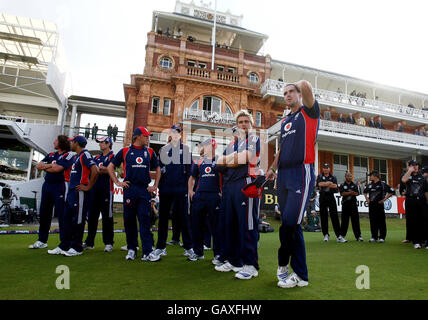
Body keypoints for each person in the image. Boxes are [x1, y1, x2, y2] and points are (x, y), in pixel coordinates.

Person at [265, 80, 319, 289]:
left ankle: (294, 271)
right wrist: (272, 168)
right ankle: (291, 270)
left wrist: (299, 84)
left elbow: (306, 85)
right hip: (284, 175)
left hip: (301, 172)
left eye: (291, 92)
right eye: (285, 93)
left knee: (292, 223)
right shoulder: (286, 119)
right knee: (286, 223)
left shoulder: (309, 113)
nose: (287, 95)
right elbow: (282, 148)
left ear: (299, 94)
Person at [215, 110, 261, 280]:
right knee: (230, 225)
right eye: (240, 121)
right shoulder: (231, 144)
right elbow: (218, 163)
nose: (243, 124)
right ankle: (234, 261)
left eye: (246, 121)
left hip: (245, 184)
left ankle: (251, 265)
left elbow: (245, 158)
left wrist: (231, 159)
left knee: (247, 226)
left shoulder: (254, 139)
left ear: (250, 123)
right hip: (229, 187)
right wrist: (233, 157)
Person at [107, 126, 161, 261]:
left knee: (145, 219)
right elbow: (110, 167)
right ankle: (132, 249)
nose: (148, 138)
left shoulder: (149, 151)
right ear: (138, 137)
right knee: (129, 220)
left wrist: (155, 185)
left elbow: (158, 168)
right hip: (130, 189)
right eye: (146, 136)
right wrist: (118, 183)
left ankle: (148, 251)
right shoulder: (125, 151)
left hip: (144, 189)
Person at [47, 136, 99, 256]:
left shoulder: (85, 155)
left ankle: (77, 247)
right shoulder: (77, 156)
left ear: (77, 143)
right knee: (67, 219)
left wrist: (88, 186)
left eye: (72, 142)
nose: (70, 144)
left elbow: (95, 170)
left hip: (79, 192)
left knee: (78, 219)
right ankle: (64, 245)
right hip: (71, 191)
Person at [153, 125, 193, 259]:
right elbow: (160, 170)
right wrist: (159, 186)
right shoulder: (163, 149)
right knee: (163, 218)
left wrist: (188, 189)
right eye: (173, 132)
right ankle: (160, 247)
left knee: (184, 218)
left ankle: (188, 247)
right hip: (166, 189)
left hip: (181, 189)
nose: (175, 134)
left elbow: (190, 171)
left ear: (180, 134)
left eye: (177, 132)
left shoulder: (186, 149)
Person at [28, 135, 74, 249]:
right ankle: (42, 240)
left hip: (60, 186)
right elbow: (39, 166)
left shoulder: (68, 155)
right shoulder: (51, 155)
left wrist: (47, 167)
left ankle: (64, 243)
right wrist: (50, 166)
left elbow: (58, 169)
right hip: (47, 185)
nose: (54, 142)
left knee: (62, 214)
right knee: (44, 213)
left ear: (61, 143)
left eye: (56, 140)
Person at [187, 138, 221, 262]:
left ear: (214, 146)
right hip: (200, 196)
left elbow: (225, 177)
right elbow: (191, 178)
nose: (206, 148)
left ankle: (218, 254)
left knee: (215, 226)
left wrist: (221, 192)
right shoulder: (198, 162)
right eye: (205, 146)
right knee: (196, 225)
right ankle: (198, 252)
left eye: (209, 145)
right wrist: (191, 191)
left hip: (214, 196)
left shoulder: (220, 160)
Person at [83, 136, 115, 252]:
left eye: (102, 142)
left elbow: (110, 170)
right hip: (94, 190)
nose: (100, 144)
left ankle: (108, 243)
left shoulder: (112, 156)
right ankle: (89, 242)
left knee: (107, 217)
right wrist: (100, 169)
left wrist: (101, 169)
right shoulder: (97, 157)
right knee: (92, 217)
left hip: (107, 190)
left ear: (108, 144)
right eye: (99, 142)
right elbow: (94, 170)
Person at [316, 163, 345, 242]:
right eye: (324, 168)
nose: (325, 169)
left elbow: (335, 186)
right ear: (323, 169)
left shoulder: (333, 177)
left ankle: (338, 235)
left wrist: (325, 184)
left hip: (330, 197)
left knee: (334, 215)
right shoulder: (320, 176)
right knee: (323, 216)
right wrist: (328, 183)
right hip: (322, 197)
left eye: (327, 168)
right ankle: (325, 234)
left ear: (329, 169)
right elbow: (319, 184)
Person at [363, 170, 395, 243]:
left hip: (379, 205)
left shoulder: (382, 184)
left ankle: (382, 237)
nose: (369, 177)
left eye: (370, 176)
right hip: (371, 205)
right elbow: (364, 192)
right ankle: (374, 237)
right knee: (372, 221)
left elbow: (392, 191)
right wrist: (367, 199)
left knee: (381, 221)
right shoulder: (370, 185)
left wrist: (384, 199)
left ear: (374, 176)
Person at [401, 160, 426, 249]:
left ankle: (423, 240)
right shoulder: (408, 176)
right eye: (413, 165)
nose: (415, 167)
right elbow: (404, 180)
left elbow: (426, 190)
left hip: (421, 201)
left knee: (422, 221)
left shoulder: (422, 177)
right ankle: (416, 242)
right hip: (411, 200)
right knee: (413, 221)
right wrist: (409, 171)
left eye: (416, 165)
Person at [339, 172, 363, 242]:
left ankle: (358, 236)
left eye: (350, 176)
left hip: (353, 205)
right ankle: (342, 236)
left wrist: (349, 193)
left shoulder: (354, 185)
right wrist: (350, 193)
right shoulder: (342, 185)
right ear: (345, 177)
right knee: (344, 221)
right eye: (348, 176)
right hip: (345, 205)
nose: (349, 177)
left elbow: (357, 193)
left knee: (355, 221)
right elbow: (342, 193)